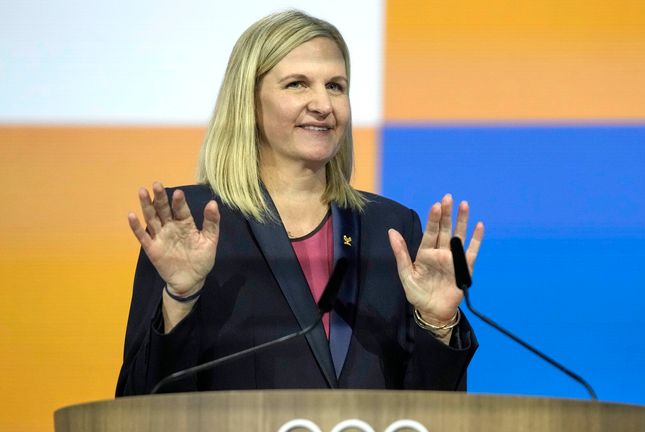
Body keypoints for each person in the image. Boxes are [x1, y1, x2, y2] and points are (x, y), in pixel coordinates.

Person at [116, 10, 484, 396]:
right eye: (297, 84)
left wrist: (436, 323)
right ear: (249, 103)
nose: (323, 104)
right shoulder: (192, 224)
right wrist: (181, 297)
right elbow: (139, 401)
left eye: (336, 86)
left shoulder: (391, 229)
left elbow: (434, 410)